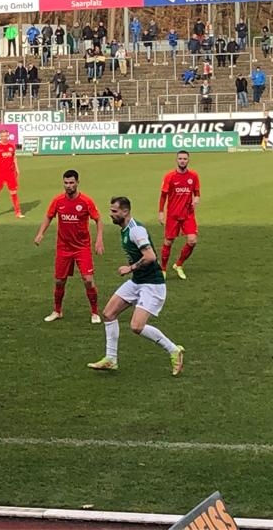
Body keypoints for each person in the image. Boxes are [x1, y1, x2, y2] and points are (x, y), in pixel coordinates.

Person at [87, 196, 185, 376]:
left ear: (125, 211)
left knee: (137, 326)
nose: (111, 214)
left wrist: (130, 268)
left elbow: (150, 256)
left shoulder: (135, 230)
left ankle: (173, 350)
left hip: (152, 285)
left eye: (114, 211)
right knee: (108, 313)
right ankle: (111, 359)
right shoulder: (125, 229)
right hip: (138, 281)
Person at [33, 169, 104, 324]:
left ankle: (94, 312)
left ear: (77, 183)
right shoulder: (58, 201)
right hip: (63, 248)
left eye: (71, 183)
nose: (68, 186)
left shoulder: (86, 201)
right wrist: (40, 233)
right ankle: (57, 311)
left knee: (88, 280)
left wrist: (99, 239)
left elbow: (98, 219)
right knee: (59, 281)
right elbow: (49, 216)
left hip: (82, 247)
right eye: (66, 183)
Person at [158, 150, 200, 280]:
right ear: (176, 160)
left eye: (185, 159)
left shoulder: (193, 176)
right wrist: (161, 212)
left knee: (192, 240)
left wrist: (197, 199)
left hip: (188, 214)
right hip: (173, 215)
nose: (182, 161)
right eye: (180, 158)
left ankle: (179, 264)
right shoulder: (169, 177)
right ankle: (163, 269)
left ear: (188, 160)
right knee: (168, 242)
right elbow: (163, 196)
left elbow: (197, 193)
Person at [0, 130, 23, 219]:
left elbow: (14, 157)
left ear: (8, 136)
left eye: (5, 136)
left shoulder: (11, 146)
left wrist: (17, 169)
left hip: (10, 173)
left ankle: (18, 212)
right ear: (0, 137)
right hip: (0, 173)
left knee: (14, 193)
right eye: (2, 136)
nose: (4, 137)